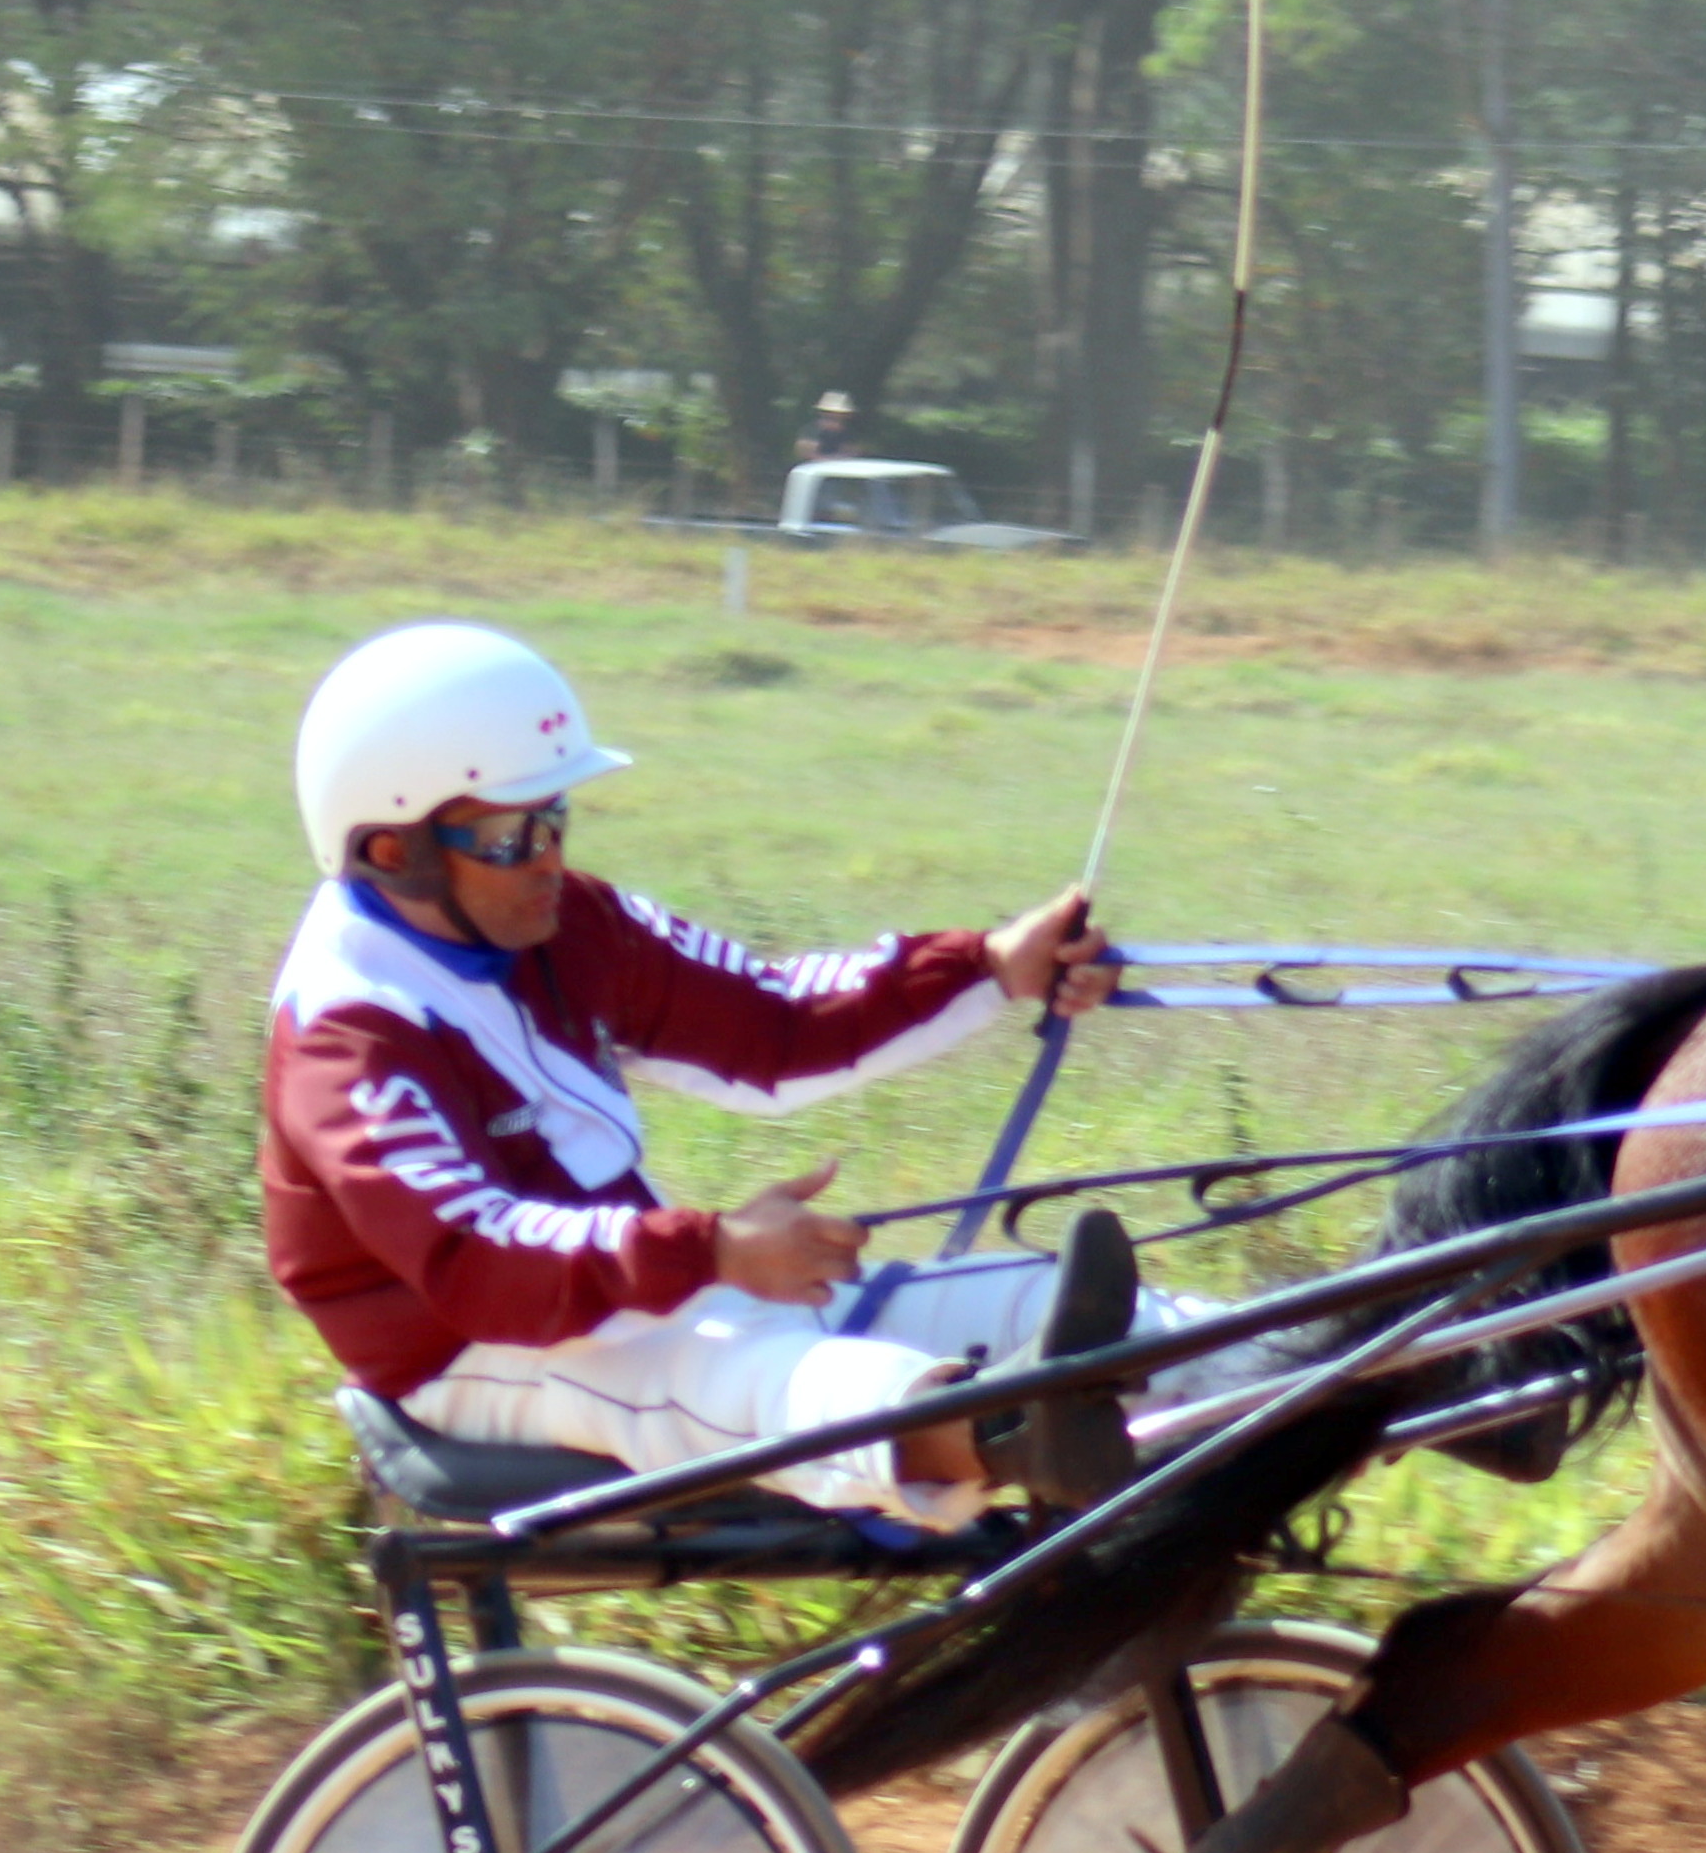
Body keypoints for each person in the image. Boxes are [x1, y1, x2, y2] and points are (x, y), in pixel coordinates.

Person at [262, 618, 1145, 1529]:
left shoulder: (565, 923)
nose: (550, 857)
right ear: (393, 853)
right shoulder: (348, 1036)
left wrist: (993, 964)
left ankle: (1212, 1374)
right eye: (508, 836)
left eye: (555, 817)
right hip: (477, 1356)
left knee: (1063, 1311)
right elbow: (477, 1255)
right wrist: (713, 1251)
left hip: (639, 1292)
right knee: (760, 1376)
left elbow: (771, 1019)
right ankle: (1007, 1430)